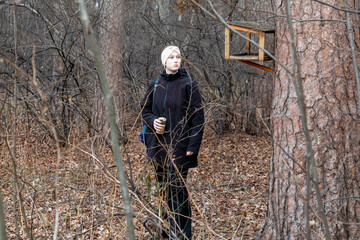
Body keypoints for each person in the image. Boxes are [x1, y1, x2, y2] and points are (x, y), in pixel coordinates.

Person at [141, 46, 204, 239]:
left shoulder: (189, 85)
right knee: (162, 191)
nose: (176, 60)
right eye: (171, 57)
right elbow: (145, 111)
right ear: (164, 62)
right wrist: (153, 121)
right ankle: (164, 230)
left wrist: (193, 146)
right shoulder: (156, 84)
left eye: (178, 57)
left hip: (180, 148)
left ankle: (183, 235)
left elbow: (198, 119)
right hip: (158, 148)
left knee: (179, 194)